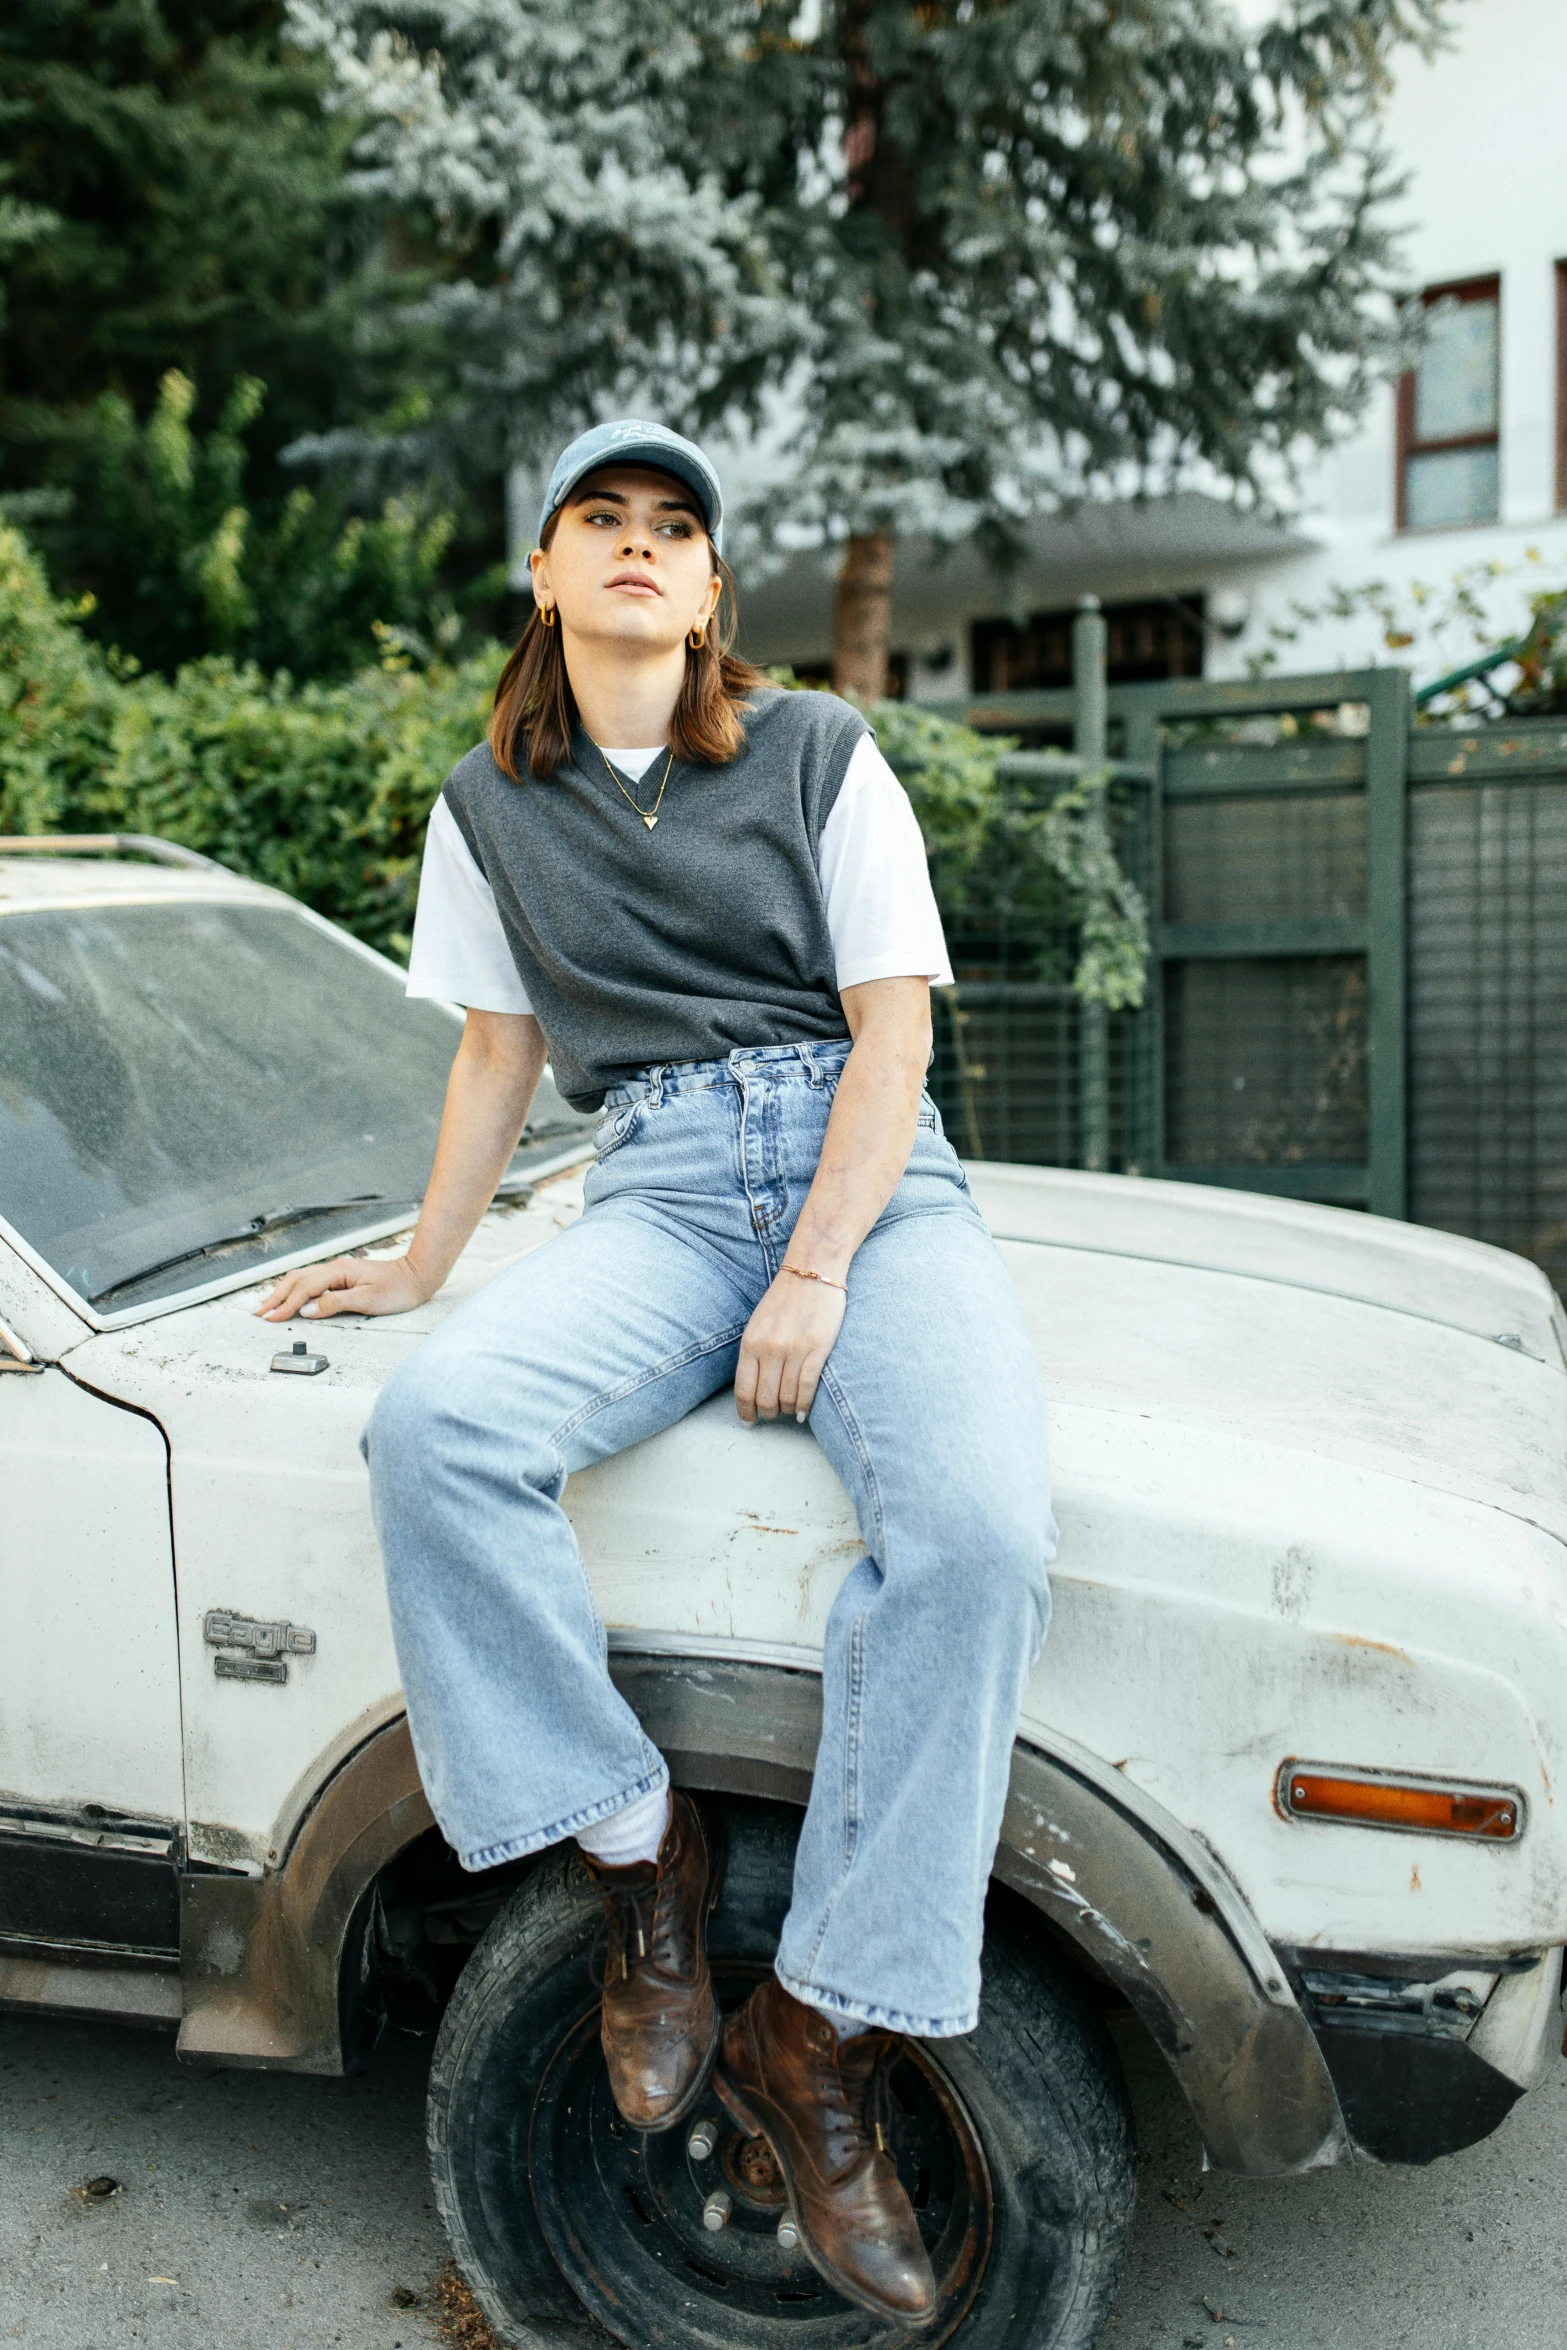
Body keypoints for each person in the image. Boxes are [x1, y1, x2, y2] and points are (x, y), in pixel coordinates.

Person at [259, 420, 1056, 2325]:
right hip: (665, 1183)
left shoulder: (814, 755)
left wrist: (818, 1270)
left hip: (867, 1177)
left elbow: (891, 1042)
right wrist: (423, 1263)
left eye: (672, 529)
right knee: (439, 1426)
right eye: (598, 521)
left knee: (975, 1533)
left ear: (709, 592)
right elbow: (493, 1055)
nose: (637, 547)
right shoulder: (487, 800)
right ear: (544, 574)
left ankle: (828, 2031)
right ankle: (641, 1858)